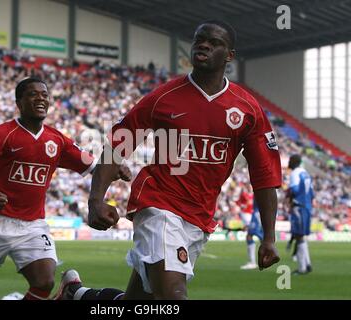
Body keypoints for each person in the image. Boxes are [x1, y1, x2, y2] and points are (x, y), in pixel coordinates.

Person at [57, 20, 282, 300]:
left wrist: (269, 237)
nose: (204, 44)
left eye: (214, 42)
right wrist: (95, 200)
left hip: (199, 216)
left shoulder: (248, 109)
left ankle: (75, 295)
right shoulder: (164, 97)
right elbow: (118, 143)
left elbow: (264, 175)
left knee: (138, 303)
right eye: (199, 39)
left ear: (229, 56)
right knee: (173, 297)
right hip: (159, 206)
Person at [0, 78, 130, 300]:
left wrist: (116, 168)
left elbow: (94, 166)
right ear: (19, 102)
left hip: (32, 226)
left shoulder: (57, 140)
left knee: (44, 282)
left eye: (45, 95)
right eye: (33, 94)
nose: (41, 98)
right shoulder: (0, 135)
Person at [287, 154, 314, 275]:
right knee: (301, 236)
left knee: (298, 236)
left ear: (294, 162)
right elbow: (312, 193)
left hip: (299, 206)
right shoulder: (305, 173)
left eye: (290, 160)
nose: (289, 162)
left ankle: (302, 268)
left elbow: (295, 190)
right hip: (307, 206)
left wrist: (290, 198)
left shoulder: (294, 174)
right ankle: (307, 264)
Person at [240, 201, 264, 270]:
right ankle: (264, 259)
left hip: (258, 213)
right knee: (255, 236)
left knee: (251, 236)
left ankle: (253, 262)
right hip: (257, 212)